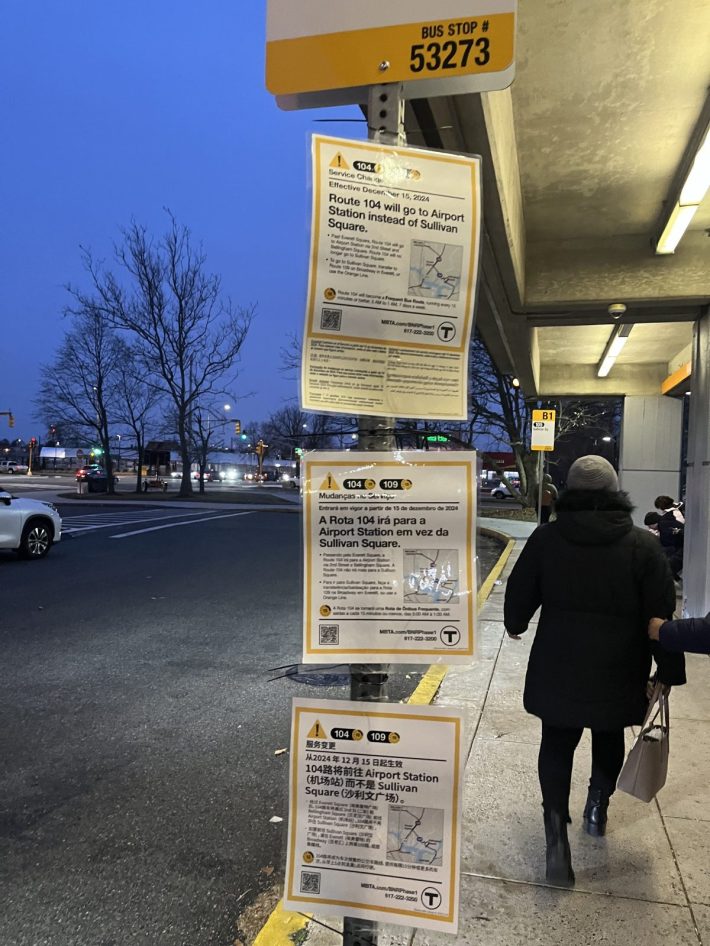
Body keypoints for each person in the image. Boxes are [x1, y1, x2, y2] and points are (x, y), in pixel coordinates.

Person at [504, 455, 685, 888]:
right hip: (620, 665)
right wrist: (669, 671)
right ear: (614, 494)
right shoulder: (643, 545)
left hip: (558, 663)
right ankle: (596, 810)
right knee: (607, 735)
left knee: (556, 741)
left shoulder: (547, 539)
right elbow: (661, 615)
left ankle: (554, 838)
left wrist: (516, 624)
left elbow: (518, 603)